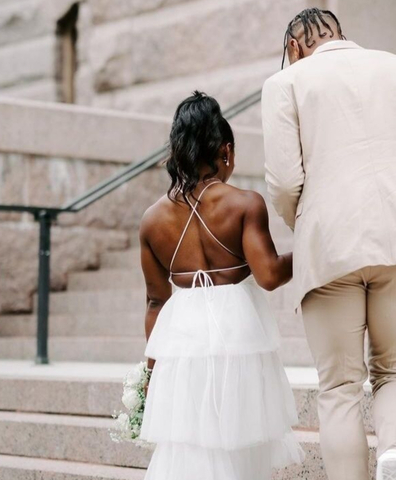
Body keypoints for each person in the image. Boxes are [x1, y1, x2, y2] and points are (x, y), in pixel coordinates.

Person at [261, 8, 396, 480]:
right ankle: (394, 455)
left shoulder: (286, 83)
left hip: (329, 247)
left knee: (338, 386)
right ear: (342, 35)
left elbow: (282, 182)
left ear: (294, 47)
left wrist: (311, 224)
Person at [138, 91, 305, 480]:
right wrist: (312, 249)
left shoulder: (151, 220)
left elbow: (154, 302)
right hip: (238, 337)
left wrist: (151, 373)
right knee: (237, 441)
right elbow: (269, 275)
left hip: (181, 343)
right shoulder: (245, 204)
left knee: (189, 446)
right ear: (226, 151)